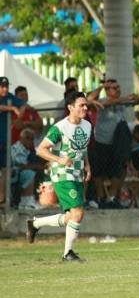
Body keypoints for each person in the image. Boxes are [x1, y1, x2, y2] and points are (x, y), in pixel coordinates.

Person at [27, 91, 92, 261]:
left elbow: (83, 148)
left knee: (72, 216)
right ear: (70, 107)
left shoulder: (87, 125)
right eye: (81, 105)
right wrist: (59, 159)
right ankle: (67, 253)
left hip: (77, 172)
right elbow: (41, 149)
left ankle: (35, 224)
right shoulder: (60, 128)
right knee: (78, 212)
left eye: (86, 105)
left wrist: (87, 165)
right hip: (62, 174)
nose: (85, 108)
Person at [88, 78, 139, 208]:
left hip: (117, 144)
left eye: (118, 87)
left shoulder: (122, 102)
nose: (118, 90)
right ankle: (100, 197)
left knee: (119, 169)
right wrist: (102, 87)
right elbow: (90, 99)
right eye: (114, 88)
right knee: (98, 171)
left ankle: (111, 197)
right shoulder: (102, 101)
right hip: (102, 142)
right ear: (107, 90)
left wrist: (136, 97)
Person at [0, 76, 27, 205]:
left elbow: (23, 104)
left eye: (6, 86)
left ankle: (3, 199)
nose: (5, 89)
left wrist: (19, 116)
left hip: (5, 140)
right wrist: (12, 108)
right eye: (2, 87)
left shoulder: (10, 97)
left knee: (6, 169)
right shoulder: (8, 100)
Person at [12, 128, 45, 209]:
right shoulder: (16, 148)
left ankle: (31, 200)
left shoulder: (29, 150)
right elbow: (20, 165)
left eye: (32, 138)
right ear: (21, 138)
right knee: (29, 173)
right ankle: (26, 202)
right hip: (14, 172)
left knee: (36, 172)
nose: (30, 140)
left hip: (20, 171)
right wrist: (35, 166)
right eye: (27, 138)